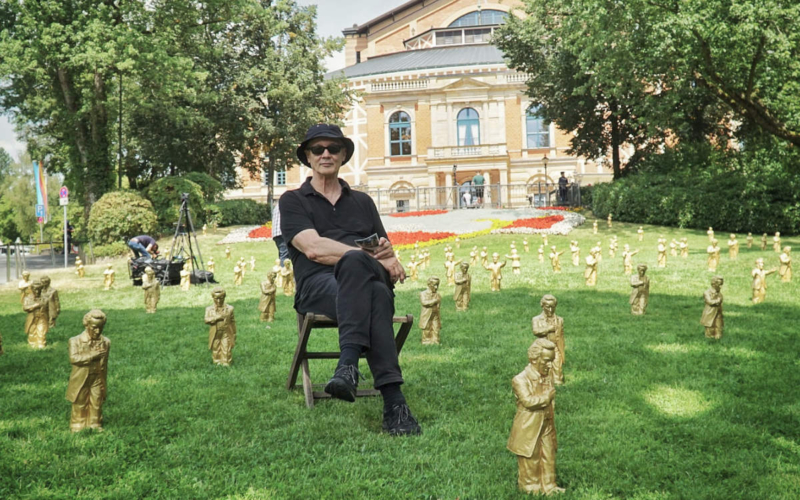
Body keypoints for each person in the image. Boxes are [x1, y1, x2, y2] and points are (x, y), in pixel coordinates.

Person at [279, 123, 420, 436]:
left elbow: (385, 251)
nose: (326, 154)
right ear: (308, 156)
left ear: (343, 155)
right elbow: (314, 249)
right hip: (319, 286)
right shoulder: (292, 201)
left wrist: (385, 255)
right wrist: (366, 255)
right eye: (318, 149)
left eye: (333, 148)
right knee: (375, 294)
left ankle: (348, 366)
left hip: (364, 281)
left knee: (368, 281)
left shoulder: (363, 202)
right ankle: (394, 402)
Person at [507, 338, 564, 495]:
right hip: (529, 426)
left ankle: (549, 485)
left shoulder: (547, 376)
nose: (550, 365)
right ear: (533, 359)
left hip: (546, 423)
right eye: (546, 361)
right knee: (531, 457)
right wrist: (547, 398)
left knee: (548, 453)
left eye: (552, 361)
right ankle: (530, 487)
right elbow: (527, 401)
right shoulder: (520, 379)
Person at [66, 309, 110, 432]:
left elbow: (104, 363)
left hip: (97, 376)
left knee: (96, 400)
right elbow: (74, 358)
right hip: (81, 377)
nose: (98, 331)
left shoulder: (106, 342)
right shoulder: (75, 341)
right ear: (87, 325)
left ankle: (95, 423)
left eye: (101, 328)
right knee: (80, 400)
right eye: (94, 327)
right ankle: (77, 424)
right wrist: (92, 355)